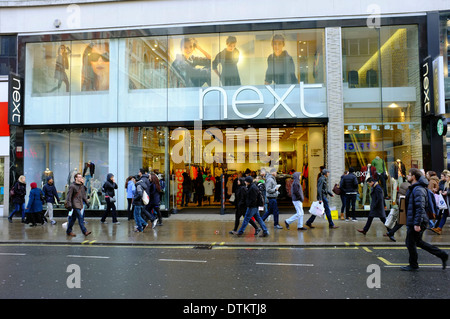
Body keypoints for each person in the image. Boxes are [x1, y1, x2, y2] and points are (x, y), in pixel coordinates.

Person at [401, 168, 448, 271]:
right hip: (415, 220)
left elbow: (420, 207)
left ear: (413, 176)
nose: (407, 177)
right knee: (416, 242)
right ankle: (442, 255)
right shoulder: (415, 188)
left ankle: (414, 264)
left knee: (410, 242)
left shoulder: (418, 189)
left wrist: (417, 224)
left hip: (418, 221)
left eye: (409, 175)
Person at [65, 173, 91, 237]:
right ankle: (85, 231)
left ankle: (68, 231)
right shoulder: (72, 186)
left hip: (80, 204)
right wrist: (69, 205)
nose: (81, 178)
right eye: (79, 177)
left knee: (73, 219)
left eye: (81, 177)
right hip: (74, 204)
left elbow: (83, 196)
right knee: (80, 217)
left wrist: (87, 202)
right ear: (75, 178)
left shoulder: (81, 186)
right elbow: (69, 196)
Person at [431, 171, 450, 235]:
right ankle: (439, 228)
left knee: (444, 215)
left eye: (447, 177)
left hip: (448, 203)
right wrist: (442, 191)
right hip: (447, 203)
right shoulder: (446, 184)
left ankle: (439, 228)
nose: (446, 178)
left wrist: (447, 193)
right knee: (444, 215)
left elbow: (448, 192)